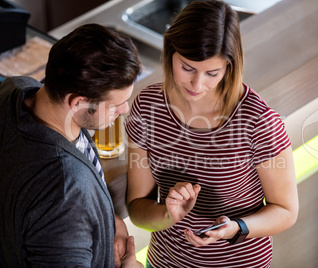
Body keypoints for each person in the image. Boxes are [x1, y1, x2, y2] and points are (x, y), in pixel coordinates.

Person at [124, 0, 299, 267]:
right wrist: (169, 215)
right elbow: (137, 209)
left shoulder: (258, 121)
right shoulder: (148, 106)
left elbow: (286, 211)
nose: (197, 84)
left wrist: (237, 227)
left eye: (212, 73)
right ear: (170, 51)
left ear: (229, 67)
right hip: (166, 261)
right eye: (187, 68)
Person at [0, 24, 143, 267]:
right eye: (115, 104)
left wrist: (106, 220)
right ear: (77, 103)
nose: (125, 110)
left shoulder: (16, 89)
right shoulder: (65, 188)